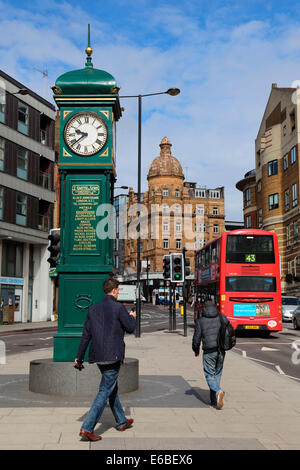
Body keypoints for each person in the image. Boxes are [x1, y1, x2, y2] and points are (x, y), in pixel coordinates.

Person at [75, 278, 136, 441]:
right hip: (113, 356)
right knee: (104, 390)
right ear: (115, 290)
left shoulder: (93, 309)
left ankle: (122, 421)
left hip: (98, 355)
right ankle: (87, 428)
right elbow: (130, 328)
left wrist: (79, 357)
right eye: (118, 289)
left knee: (111, 387)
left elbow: (86, 336)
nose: (118, 292)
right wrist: (132, 317)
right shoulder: (118, 307)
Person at [192, 299, 227, 409]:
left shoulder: (200, 321)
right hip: (221, 350)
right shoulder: (222, 318)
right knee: (217, 374)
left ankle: (218, 391)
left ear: (204, 308)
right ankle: (214, 400)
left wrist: (196, 350)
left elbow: (196, 339)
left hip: (209, 351)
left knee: (209, 374)